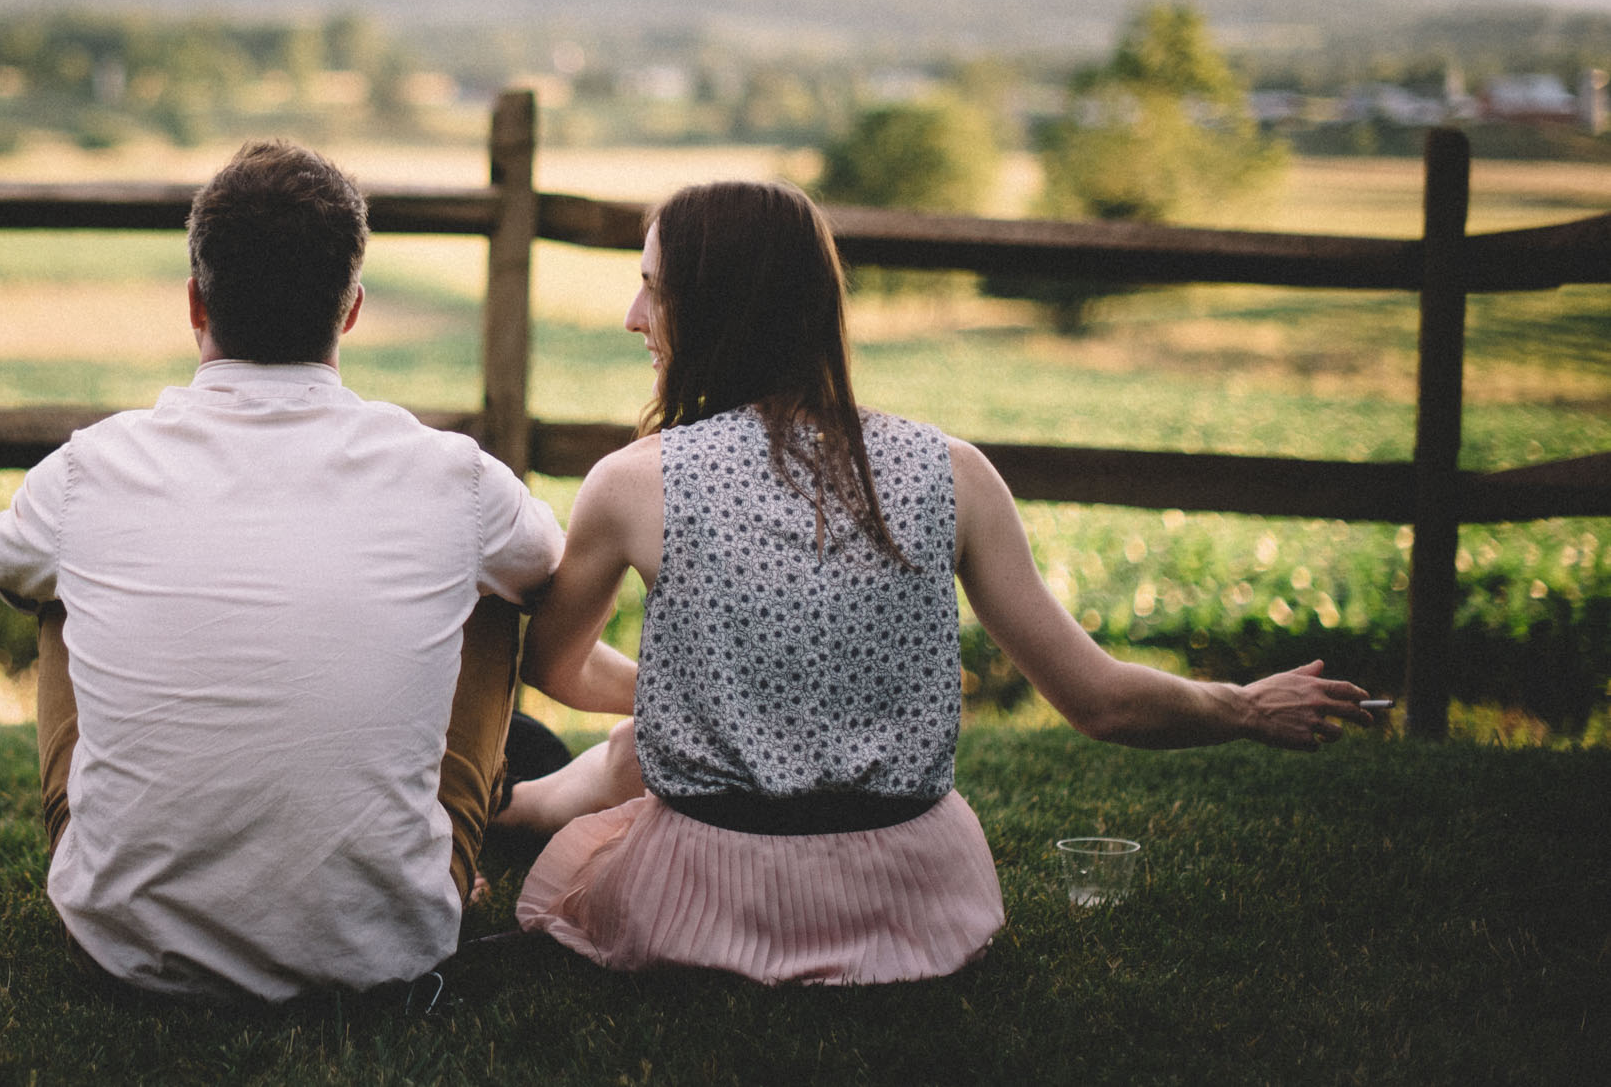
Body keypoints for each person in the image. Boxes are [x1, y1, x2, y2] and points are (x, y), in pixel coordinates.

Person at [497, 179, 1373, 986]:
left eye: (656, 287)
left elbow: (556, 667)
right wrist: (1246, 707)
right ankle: (512, 801)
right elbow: (1100, 699)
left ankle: (491, 809)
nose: (632, 314)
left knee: (599, 761)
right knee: (620, 759)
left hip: (710, 896)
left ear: (723, 306)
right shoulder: (953, 472)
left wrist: (707, 702)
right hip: (912, 901)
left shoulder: (633, 480)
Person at [0, 139, 605, 1000]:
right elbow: (548, 570)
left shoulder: (89, 470)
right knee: (497, 587)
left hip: (121, 948)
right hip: (387, 947)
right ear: (349, 310)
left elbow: (2, 564)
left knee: (52, 583)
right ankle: (437, 840)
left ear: (195, 302)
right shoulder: (453, 479)